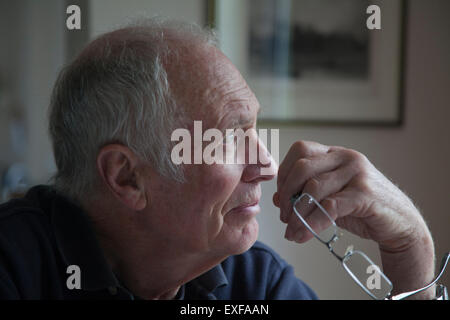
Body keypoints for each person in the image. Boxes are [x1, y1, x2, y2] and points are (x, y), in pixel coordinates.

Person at [0, 18, 436, 300]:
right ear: (127, 176)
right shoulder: (14, 269)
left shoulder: (252, 280)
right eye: (229, 136)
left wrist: (411, 249)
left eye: (255, 128)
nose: (267, 165)